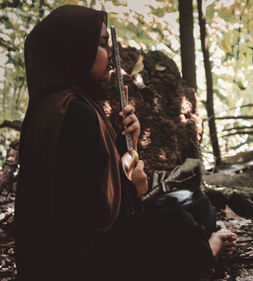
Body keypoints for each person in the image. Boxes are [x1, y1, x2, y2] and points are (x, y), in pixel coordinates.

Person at [15, 5, 235, 281]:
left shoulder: (51, 106)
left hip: (53, 256)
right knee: (182, 221)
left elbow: (89, 181)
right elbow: (91, 221)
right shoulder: (76, 114)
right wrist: (134, 188)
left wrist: (124, 141)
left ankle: (200, 253)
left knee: (194, 202)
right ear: (75, 50)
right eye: (102, 44)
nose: (110, 54)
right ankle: (204, 255)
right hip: (78, 264)